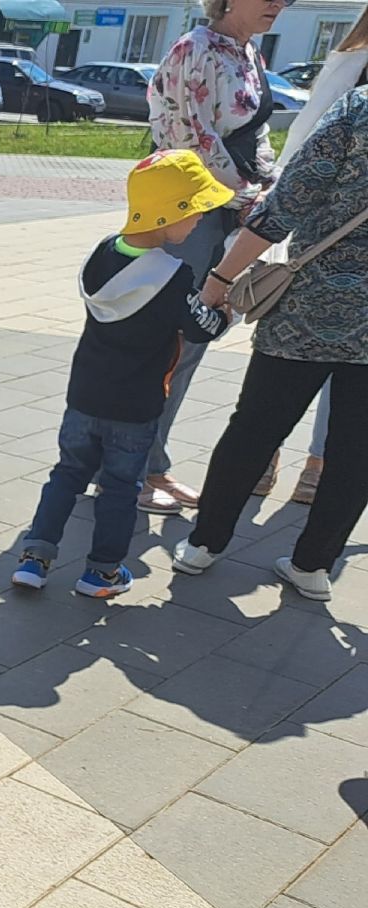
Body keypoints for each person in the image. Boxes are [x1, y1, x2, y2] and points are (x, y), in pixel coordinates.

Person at [12, 151, 233, 599]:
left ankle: (34, 558)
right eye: (193, 212)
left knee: (68, 473)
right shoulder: (172, 275)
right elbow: (199, 328)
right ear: (170, 214)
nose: (197, 223)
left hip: (84, 396)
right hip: (135, 407)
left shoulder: (102, 253)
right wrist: (223, 313)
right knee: (119, 488)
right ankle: (102, 573)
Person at [180, 88, 368, 602]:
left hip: (308, 308)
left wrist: (220, 278)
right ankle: (313, 565)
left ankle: (205, 544)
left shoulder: (358, 110)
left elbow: (285, 206)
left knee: (256, 428)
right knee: (357, 451)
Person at [142, 0, 282, 515]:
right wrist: (251, 200)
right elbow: (190, 142)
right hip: (189, 216)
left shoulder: (249, 54)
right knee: (167, 343)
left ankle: (150, 463)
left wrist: (271, 187)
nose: (279, 4)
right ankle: (130, 468)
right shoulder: (193, 49)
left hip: (227, 213)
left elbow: (257, 135)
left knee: (193, 339)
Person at [251, 7, 367, 505]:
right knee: (289, 348)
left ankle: (318, 463)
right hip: (317, 234)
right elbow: (303, 137)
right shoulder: (347, 62)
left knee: (354, 365)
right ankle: (265, 453)